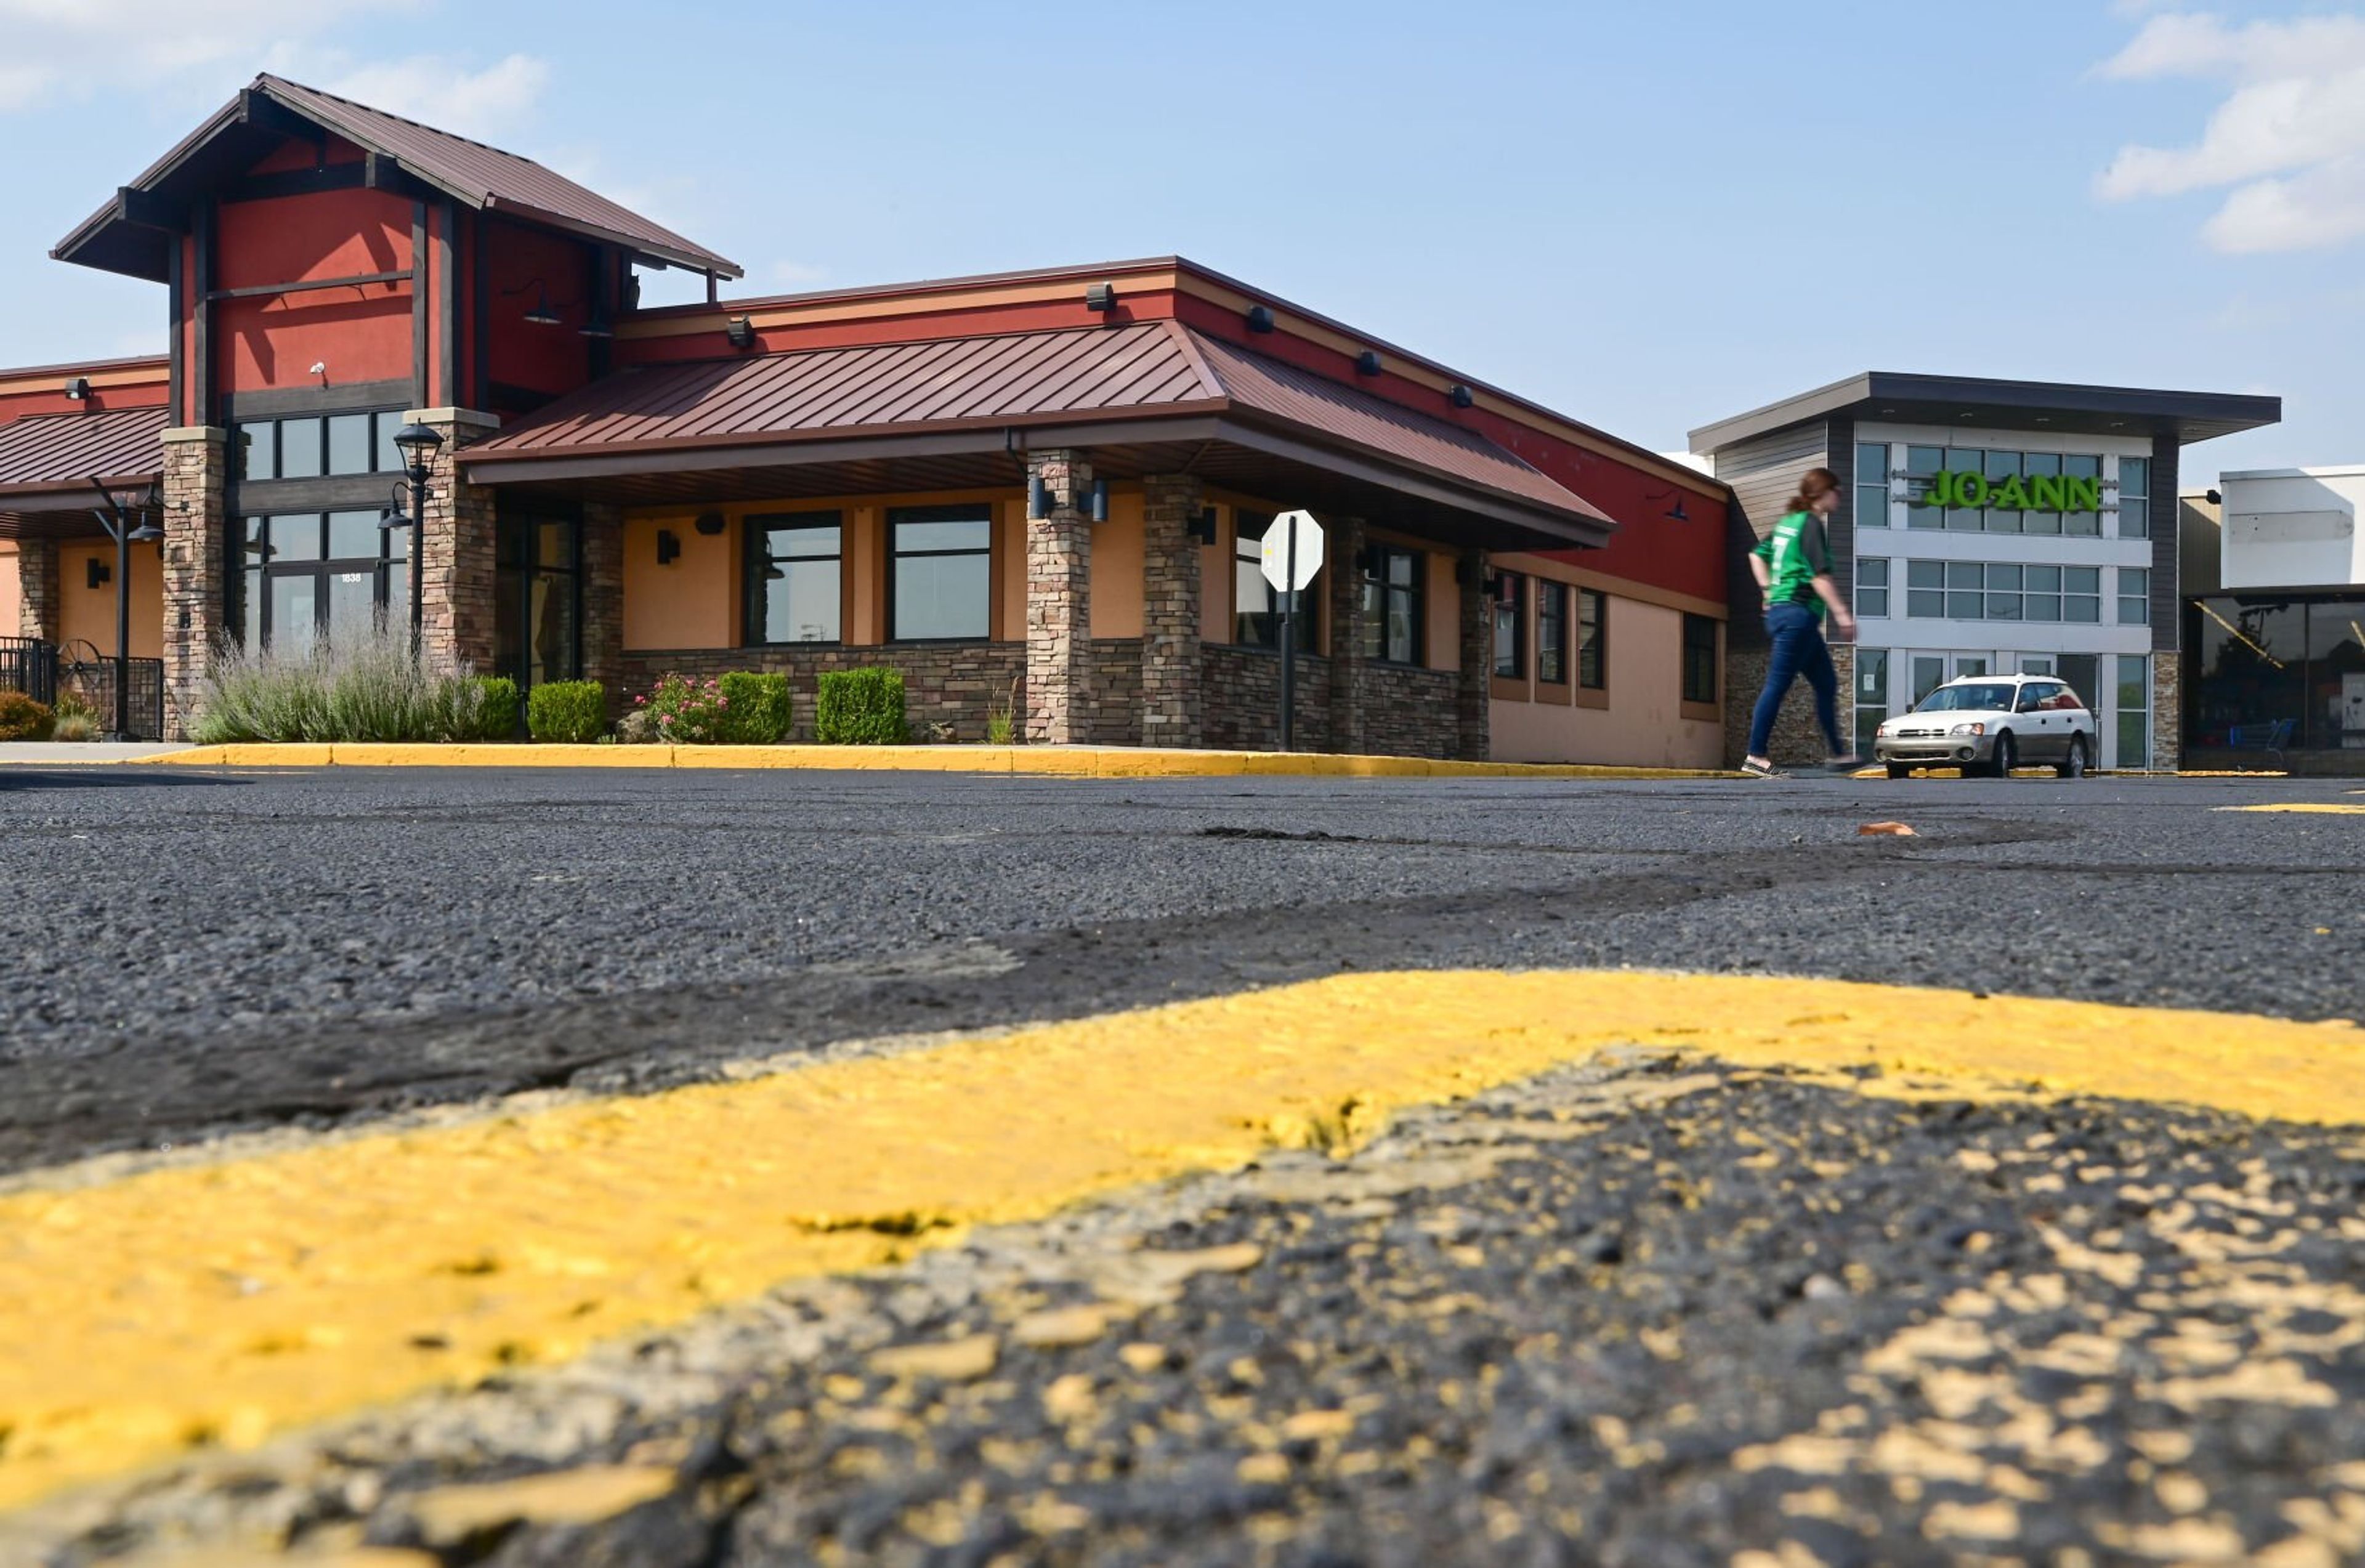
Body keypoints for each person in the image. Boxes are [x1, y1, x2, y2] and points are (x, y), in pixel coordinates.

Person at [1743, 467, 1859, 778]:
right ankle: (1756, 755)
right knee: (1777, 685)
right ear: (1823, 493)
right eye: (1837, 491)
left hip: (1791, 615)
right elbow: (1819, 576)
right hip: (1796, 615)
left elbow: (1756, 555)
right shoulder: (1809, 524)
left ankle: (1838, 754)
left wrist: (1767, 589)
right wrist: (1843, 615)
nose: (1840, 497)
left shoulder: (1787, 525)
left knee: (1826, 683)